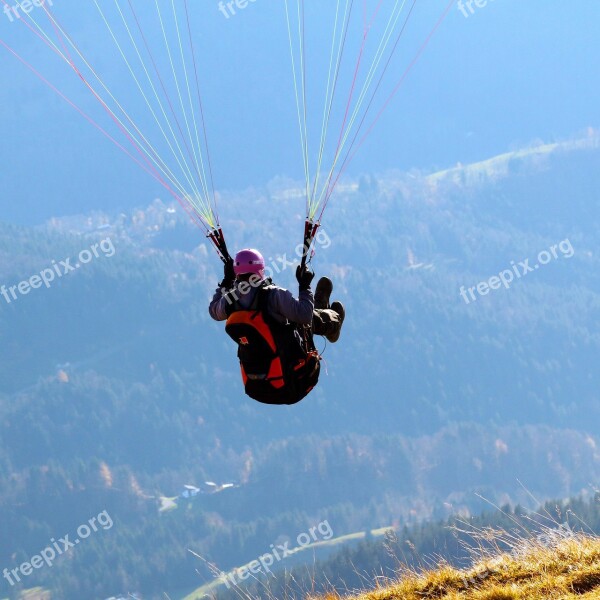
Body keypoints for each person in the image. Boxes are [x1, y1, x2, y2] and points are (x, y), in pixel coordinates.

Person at [209, 249, 345, 404]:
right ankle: (334, 323)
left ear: (236, 273)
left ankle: (320, 307)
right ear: (261, 270)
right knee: (305, 317)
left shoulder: (229, 300)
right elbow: (304, 315)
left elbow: (214, 311)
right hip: (294, 380)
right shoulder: (274, 295)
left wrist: (227, 280)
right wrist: (304, 286)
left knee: (294, 315)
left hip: (258, 387)